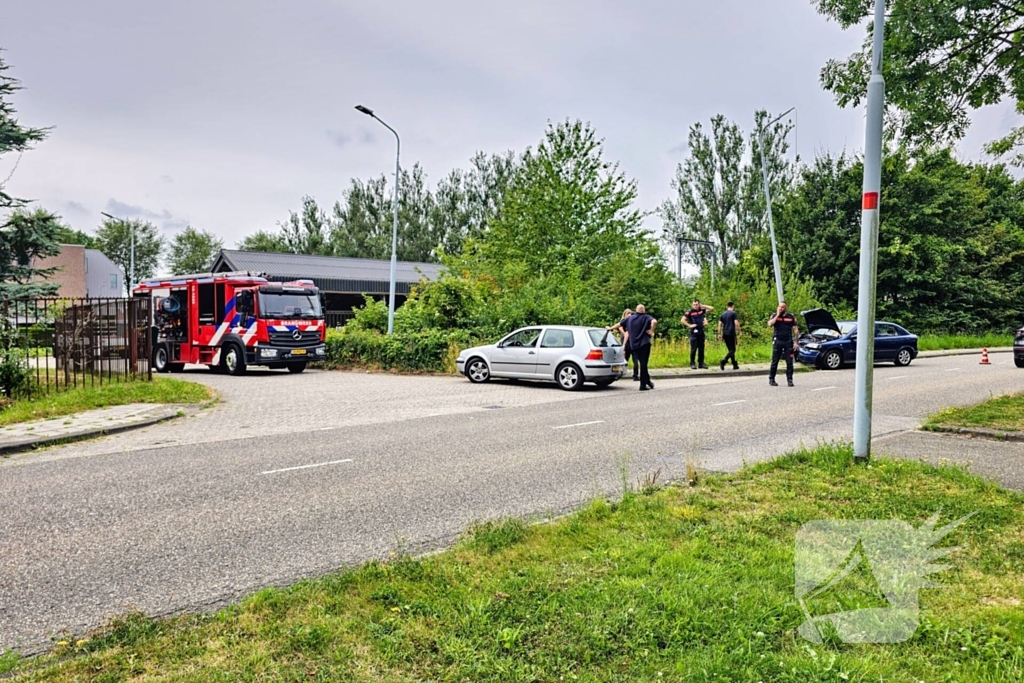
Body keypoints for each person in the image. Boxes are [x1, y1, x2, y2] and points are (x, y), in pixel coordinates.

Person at [625, 304, 657, 390]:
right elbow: (654, 321)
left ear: (636, 310)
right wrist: (651, 330)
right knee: (643, 364)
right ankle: (642, 385)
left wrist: (610, 328)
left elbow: (620, 324)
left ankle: (648, 382)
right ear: (643, 310)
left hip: (634, 345)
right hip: (644, 344)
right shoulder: (646, 317)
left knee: (641, 363)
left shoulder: (630, 318)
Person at [767, 301, 799, 387]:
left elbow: (795, 330)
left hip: (788, 341)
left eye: (782, 307)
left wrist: (796, 342)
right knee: (775, 361)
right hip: (778, 341)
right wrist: (777, 315)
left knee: (789, 362)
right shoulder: (774, 316)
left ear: (785, 308)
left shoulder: (791, 317)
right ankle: (771, 379)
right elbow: (770, 324)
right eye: (779, 307)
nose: (780, 308)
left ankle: (790, 380)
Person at [606, 308, 638, 381]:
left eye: (631, 313)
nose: (630, 315)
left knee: (635, 361)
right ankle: (619, 374)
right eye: (628, 313)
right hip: (626, 344)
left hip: (632, 344)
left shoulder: (632, 321)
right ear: (625, 314)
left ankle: (635, 375)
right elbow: (620, 328)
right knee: (623, 360)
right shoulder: (624, 322)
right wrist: (611, 328)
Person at [682, 299, 714, 369]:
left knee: (701, 348)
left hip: (701, 331)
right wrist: (689, 325)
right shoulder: (689, 312)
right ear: (692, 305)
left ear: (699, 304)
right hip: (694, 332)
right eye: (694, 304)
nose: (695, 306)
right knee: (694, 348)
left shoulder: (701, 310)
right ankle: (692, 363)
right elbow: (682, 320)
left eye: (696, 304)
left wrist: (702, 306)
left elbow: (711, 308)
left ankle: (701, 363)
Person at [718, 301, 741, 370]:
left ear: (727, 306)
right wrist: (739, 331)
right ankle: (724, 361)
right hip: (731, 333)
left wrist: (719, 333)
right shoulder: (734, 313)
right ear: (733, 306)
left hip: (725, 333)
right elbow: (736, 323)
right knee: (733, 350)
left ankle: (734, 364)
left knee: (730, 349)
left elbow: (719, 324)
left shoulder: (723, 314)